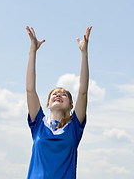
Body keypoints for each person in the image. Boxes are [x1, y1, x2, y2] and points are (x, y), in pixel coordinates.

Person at [26, 26, 92, 179]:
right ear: (47, 103)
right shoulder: (38, 125)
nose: (58, 95)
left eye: (64, 95)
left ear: (71, 105)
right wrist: (33, 51)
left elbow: (83, 91)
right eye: (54, 94)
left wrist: (84, 53)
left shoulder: (74, 127)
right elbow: (30, 90)